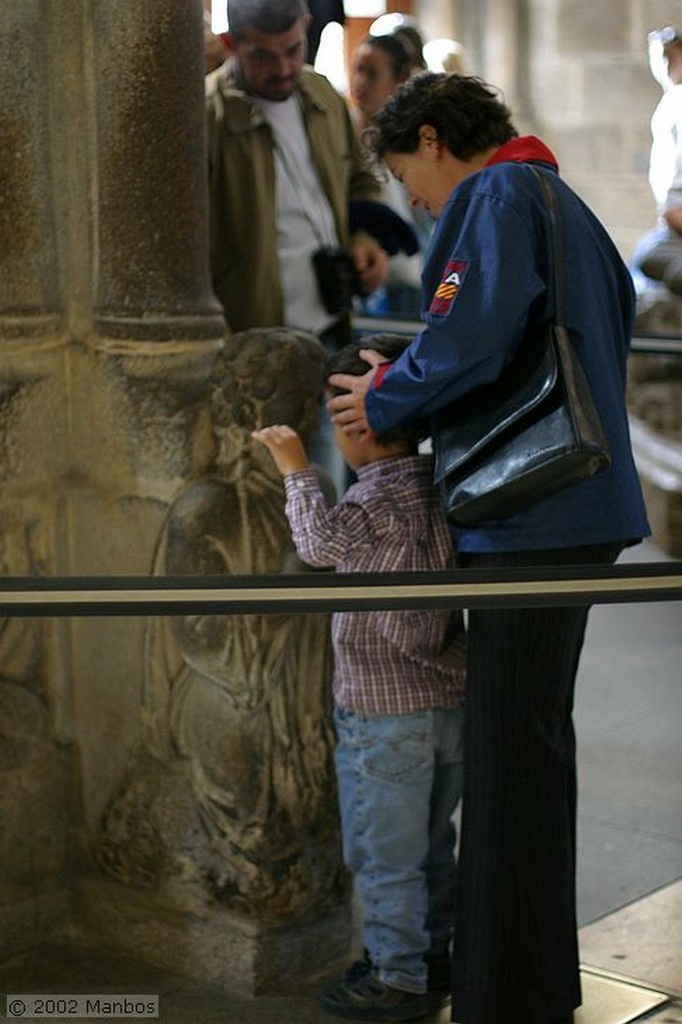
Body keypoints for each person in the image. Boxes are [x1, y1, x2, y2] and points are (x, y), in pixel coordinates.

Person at [326, 73, 650, 1024]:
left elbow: (467, 333)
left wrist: (381, 403)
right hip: (573, 504)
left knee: (511, 761)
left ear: (434, 138)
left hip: (531, 514)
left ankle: (508, 999)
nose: (411, 199)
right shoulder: (562, 199)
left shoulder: (498, 193)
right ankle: (530, 985)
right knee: (531, 753)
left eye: (403, 173)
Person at [253, 334, 467, 1022]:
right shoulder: (438, 486)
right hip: (445, 706)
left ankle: (395, 977)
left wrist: (294, 467)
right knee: (433, 844)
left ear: (353, 426)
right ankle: (433, 955)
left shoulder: (371, 504)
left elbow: (316, 545)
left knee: (382, 854)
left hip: (383, 718)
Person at [205, 0, 390, 347]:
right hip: (254, 341)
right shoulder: (205, 119)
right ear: (230, 43)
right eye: (262, 56)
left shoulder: (321, 93)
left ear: (306, 26)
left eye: (293, 50)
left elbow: (360, 180)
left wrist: (364, 237)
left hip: (334, 323)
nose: (284, 68)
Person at [350, 34, 427, 317]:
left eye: (372, 74)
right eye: (358, 70)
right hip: (361, 276)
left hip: (407, 278)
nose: (361, 83)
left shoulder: (417, 143)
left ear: (400, 80)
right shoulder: (343, 134)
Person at [631, 27, 682, 293]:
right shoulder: (670, 103)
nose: (663, 66)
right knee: (645, 256)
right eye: (658, 58)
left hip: (677, 217)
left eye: (670, 58)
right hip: (672, 223)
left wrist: (674, 213)